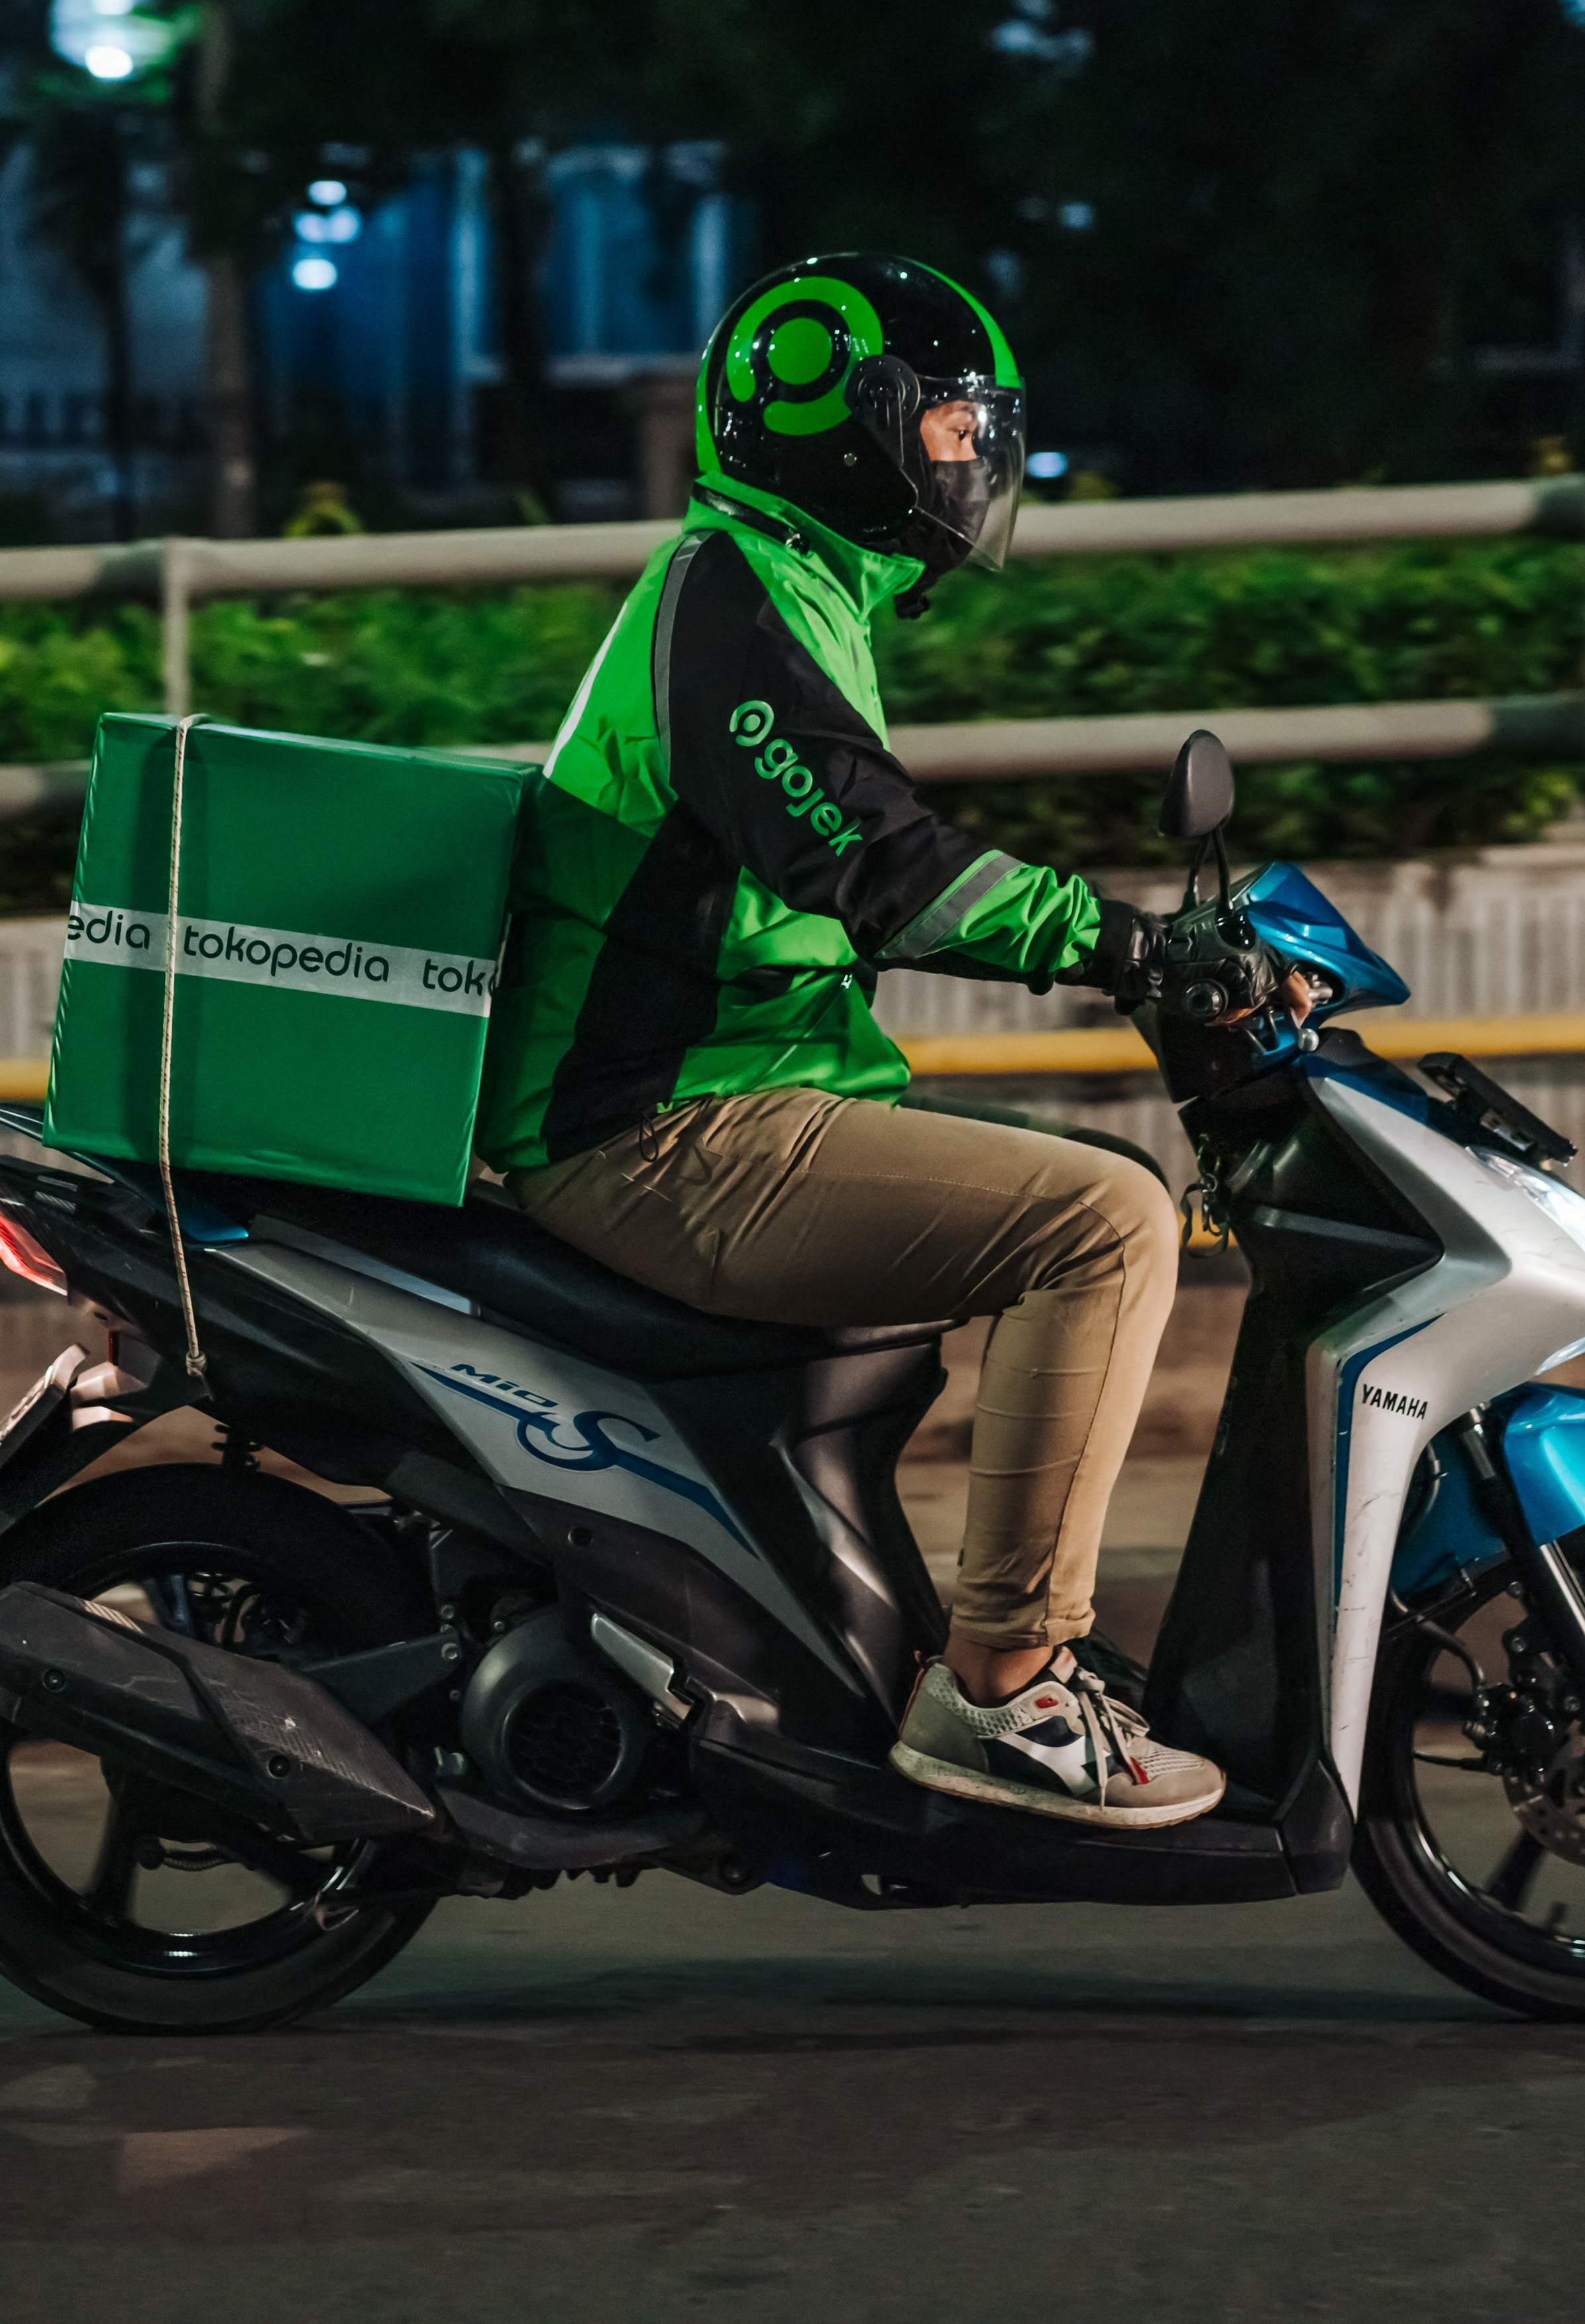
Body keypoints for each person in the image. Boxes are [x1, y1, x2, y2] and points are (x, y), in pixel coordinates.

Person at [479, 252, 1298, 1832]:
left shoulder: (792, 595)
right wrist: (1124, 945)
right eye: (943, 428)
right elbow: (867, 860)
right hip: (655, 1128)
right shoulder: (729, 598)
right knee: (1108, 1220)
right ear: (832, 428)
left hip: (723, 1099)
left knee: (1047, 1183)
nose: (973, 461)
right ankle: (1005, 1686)